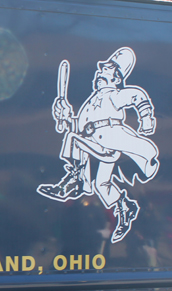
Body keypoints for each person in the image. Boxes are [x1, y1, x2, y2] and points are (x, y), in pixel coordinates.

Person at [37, 47, 159, 243]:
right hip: (96, 141)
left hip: (111, 137)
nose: (99, 74)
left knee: (75, 139)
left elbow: (137, 96)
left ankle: (75, 179)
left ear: (116, 78)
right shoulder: (90, 101)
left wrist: (146, 120)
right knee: (102, 185)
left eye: (105, 72)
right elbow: (77, 126)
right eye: (99, 72)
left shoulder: (114, 95)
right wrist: (65, 115)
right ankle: (124, 208)